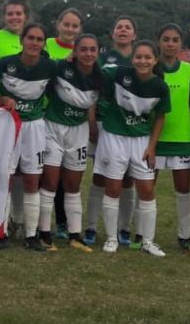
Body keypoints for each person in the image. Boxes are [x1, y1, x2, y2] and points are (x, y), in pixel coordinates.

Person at [0, 23, 57, 251]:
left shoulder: (49, 67)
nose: (35, 43)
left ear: (44, 43)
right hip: (9, 126)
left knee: (32, 180)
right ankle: (1, 231)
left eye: (39, 39)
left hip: (35, 127)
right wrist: (2, 101)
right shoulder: (6, 64)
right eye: (31, 38)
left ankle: (31, 235)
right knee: (5, 177)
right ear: (23, 40)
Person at [93, 40, 170, 256]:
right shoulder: (118, 74)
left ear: (155, 60)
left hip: (141, 141)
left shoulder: (160, 86)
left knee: (146, 189)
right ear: (132, 58)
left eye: (148, 57)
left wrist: (152, 147)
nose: (142, 61)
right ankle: (111, 238)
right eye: (138, 57)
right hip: (113, 137)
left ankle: (148, 241)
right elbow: (93, 70)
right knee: (114, 187)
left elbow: (160, 118)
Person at [38, 34, 103, 253]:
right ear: (74, 51)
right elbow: (38, 61)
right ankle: (44, 234)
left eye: (92, 49)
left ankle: (76, 235)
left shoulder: (101, 76)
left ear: (98, 52)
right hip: (53, 128)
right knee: (50, 183)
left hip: (79, 133)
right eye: (83, 49)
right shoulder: (59, 68)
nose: (88, 54)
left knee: (73, 186)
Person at [0, 0, 31, 243]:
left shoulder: (34, 38)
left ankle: (19, 220)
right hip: (1, 114)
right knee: (4, 170)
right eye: (10, 13)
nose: (14, 17)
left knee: (25, 172)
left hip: (29, 116)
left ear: (25, 17)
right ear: (4, 16)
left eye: (18, 14)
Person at [84, 16, 138, 246]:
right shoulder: (102, 58)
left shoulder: (141, 58)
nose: (123, 30)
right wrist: (92, 121)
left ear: (134, 35)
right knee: (99, 176)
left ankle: (124, 228)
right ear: (113, 33)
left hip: (131, 127)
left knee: (128, 179)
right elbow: (93, 92)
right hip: (105, 124)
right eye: (119, 27)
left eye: (128, 27)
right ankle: (91, 227)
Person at [153, 23, 190, 250]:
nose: (170, 44)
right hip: (153, 140)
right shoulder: (148, 66)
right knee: (146, 189)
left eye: (175, 40)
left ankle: (184, 236)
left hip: (181, 139)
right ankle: (142, 233)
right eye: (166, 39)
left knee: (183, 189)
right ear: (159, 42)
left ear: (181, 43)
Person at [44, 7, 84, 240]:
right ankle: (35, 224)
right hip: (43, 113)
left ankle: (61, 223)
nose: (70, 29)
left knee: (61, 177)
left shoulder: (83, 51)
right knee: (43, 175)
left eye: (74, 26)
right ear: (58, 24)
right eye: (66, 24)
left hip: (66, 121)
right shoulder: (46, 43)